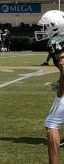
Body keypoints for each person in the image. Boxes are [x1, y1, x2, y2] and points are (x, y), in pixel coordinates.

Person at [40, 10, 64, 164]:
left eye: (46, 26)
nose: (43, 30)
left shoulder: (58, 42)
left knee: (52, 123)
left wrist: (59, 95)